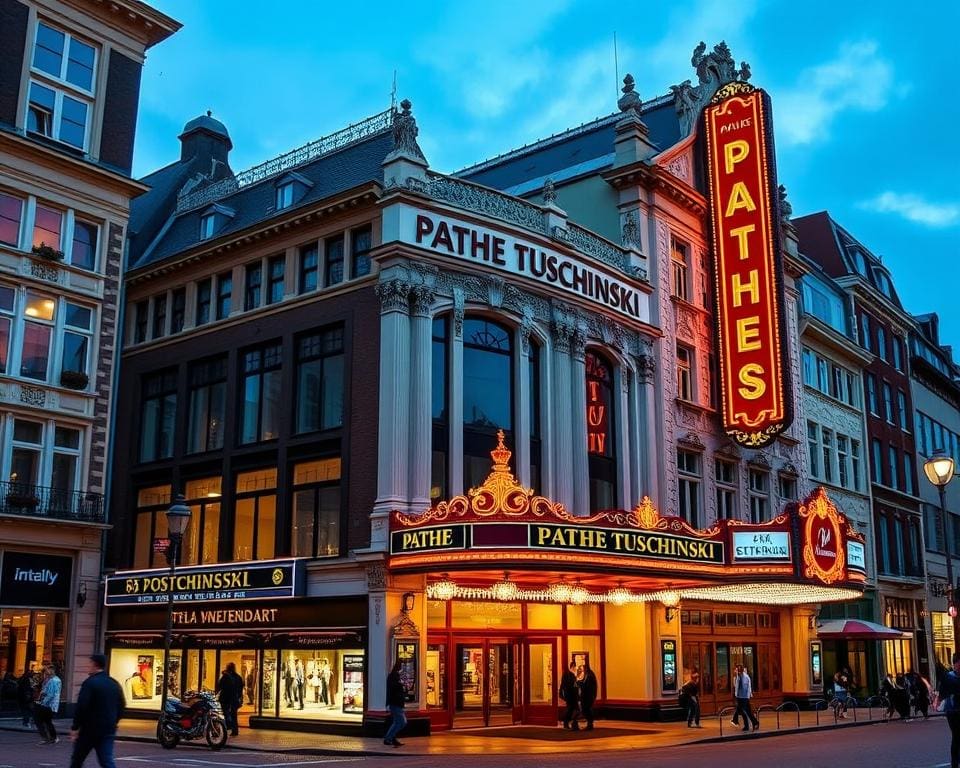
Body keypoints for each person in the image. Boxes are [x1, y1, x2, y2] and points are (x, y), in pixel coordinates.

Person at [69, 653, 125, 768]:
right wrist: (114, 721)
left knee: (77, 760)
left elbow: (82, 706)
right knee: (106, 760)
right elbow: (122, 705)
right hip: (108, 728)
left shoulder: (90, 683)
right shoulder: (114, 683)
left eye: (89, 663)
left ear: (94, 664)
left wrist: (75, 727)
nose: (87, 666)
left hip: (89, 729)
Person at [934, 653, 960, 768]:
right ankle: (955, 762)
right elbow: (942, 693)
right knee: (956, 736)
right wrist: (938, 701)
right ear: (954, 665)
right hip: (953, 711)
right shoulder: (949, 677)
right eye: (959, 665)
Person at [35, 664, 61, 745]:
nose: (46, 671)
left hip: (48, 705)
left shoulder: (54, 680)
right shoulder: (51, 679)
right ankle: (53, 738)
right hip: (49, 704)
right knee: (47, 721)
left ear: (52, 670)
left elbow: (50, 694)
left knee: (39, 720)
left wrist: (42, 703)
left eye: (47, 670)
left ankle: (46, 738)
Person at [383, 659, 407, 748]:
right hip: (395, 703)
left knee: (397, 722)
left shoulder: (395, 676)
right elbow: (393, 690)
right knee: (402, 722)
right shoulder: (393, 676)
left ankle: (392, 738)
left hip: (396, 703)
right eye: (402, 666)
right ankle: (388, 738)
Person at [216, 663, 242, 737]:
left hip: (225, 698)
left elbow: (220, 685)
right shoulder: (238, 677)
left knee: (226, 713)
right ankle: (235, 730)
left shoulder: (226, 676)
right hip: (234, 698)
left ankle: (229, 725)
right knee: (234, 714)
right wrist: (239, 697)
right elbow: (240, 689)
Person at [733, 664, 759, 732]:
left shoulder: (745, 677)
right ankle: (754, 723)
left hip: (744, 697)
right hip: (740, 697)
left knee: (743, 711)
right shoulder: (737, 677)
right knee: (747, 711)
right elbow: (736, 686)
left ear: (739, 670)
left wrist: (748, 696)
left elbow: (747, 687)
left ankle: (746, 725)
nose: (735, 671)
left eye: (736, 669)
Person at [559, 661, 580, 729]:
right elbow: (572, 686)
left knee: (571, 709)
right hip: (572, 695)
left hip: (570, 695)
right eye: (575, 667)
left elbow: (563, 685)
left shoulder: (567, 674)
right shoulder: (570, 675)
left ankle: (568, 722)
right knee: (574, 709)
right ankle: (571, 722)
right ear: (573, 666)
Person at [578, 662, 598, 731]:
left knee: (587, 709)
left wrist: (580, 684)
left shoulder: (590, 675)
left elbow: (588, 686)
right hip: (587, 696)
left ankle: (590, 723)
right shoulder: (588, 674)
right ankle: (589, 723)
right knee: (586, 709)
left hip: (588, 696)